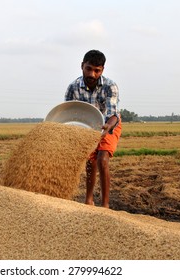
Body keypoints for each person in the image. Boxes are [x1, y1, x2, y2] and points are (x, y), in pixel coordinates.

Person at [64, 50, 122, 208]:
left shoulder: (110, 86)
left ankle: (105, 205)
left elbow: (113, 114)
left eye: (97, 71)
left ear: (102, 70)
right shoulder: (73, 87)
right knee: (90, 163)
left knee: (102, 159)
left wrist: (108, 126)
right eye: (89, 69)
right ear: (82, 66)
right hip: (86, 126)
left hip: (109, 123)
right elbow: (68, 112)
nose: (92, 74)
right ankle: (89, 200)